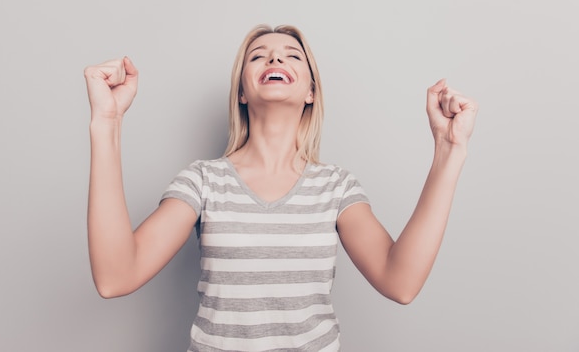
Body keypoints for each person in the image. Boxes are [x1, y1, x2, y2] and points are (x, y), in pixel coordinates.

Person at [83, 24, 478, 351]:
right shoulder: (204, 181)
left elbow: (400, 282)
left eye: (291, 55)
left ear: (310, 92)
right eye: (258, 56)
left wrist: (449, 150)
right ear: (241, 92)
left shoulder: (335, 187)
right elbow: (116, 276)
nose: (274, 59)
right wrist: (107, 121)